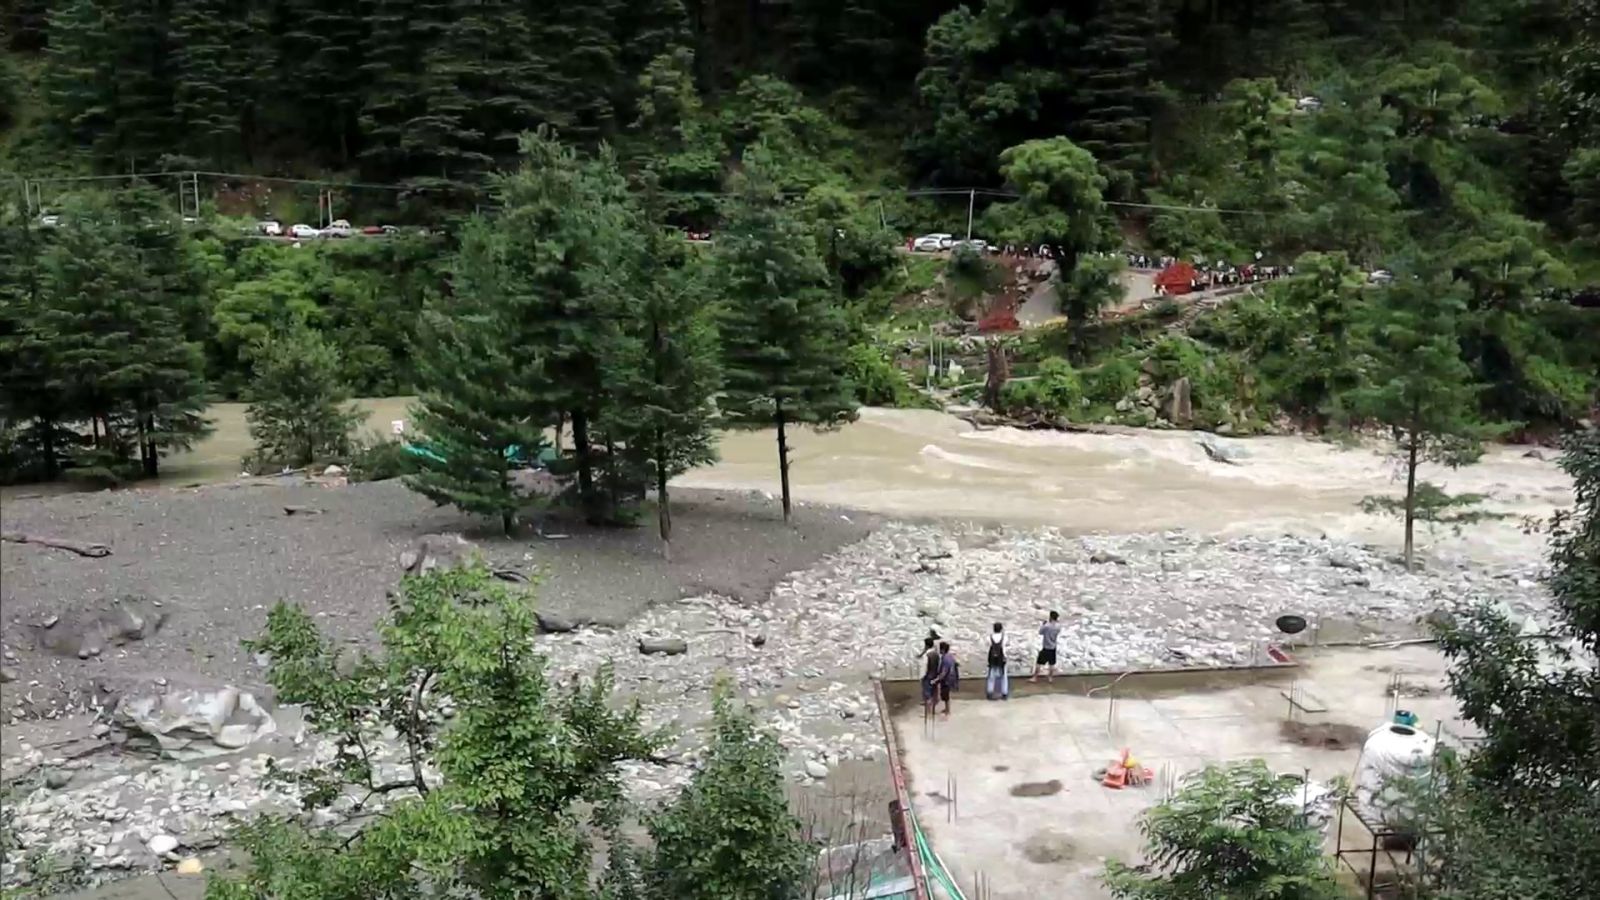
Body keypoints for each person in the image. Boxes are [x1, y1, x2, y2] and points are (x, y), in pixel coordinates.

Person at [1032, 611, 1061, 682]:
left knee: (1039, 663)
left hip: (1046, 647)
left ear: (1050, 617)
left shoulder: (1047, 626)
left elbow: (1040, 632)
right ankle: (1050, 678)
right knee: (1052, 664)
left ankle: (1035, 677)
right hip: (1053, 647)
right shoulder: (1058, 626)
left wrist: (1043, 624)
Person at [985, 622, 1009, 700]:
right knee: (1003, 676)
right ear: (1001, 629)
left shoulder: (989, 637)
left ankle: (990, 692)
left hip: (992, 658)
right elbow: (1005, 645)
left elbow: (988, 645)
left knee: (991, 676)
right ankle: (1004, 693)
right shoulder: (1004, 637)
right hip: (1002, 658)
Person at [919, 634, 941, 715]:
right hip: (935, 676)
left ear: (926, 645)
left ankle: (928, 713)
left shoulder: (926, 656)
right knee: (934, 694)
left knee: (927, 695)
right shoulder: (936, 654)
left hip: (928, 677)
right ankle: (933, 711)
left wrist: (922, 677)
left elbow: (924, 668)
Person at [935, 641, 957, 716]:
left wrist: (937, 679)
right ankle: (947, 709)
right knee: (946, 695)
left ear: (943, 650)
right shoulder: (950, 656)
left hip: (946, 680)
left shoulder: (945, 659)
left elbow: (944, 672)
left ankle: (947, 711)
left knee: (945, 695)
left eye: (940, 649)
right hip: (951, 678)